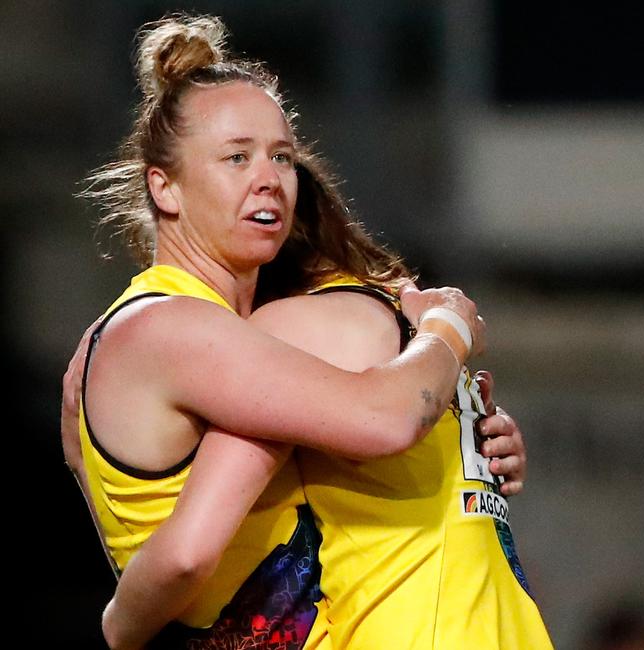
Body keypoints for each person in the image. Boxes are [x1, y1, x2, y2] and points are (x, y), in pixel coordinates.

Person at [60, 12, 545, 650]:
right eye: (236, 158)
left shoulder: (173, 334)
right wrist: (449, 326)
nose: (269, 177)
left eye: (282, 157)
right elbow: (183, 556)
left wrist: (470, 442)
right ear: (164, 188)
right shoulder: (171, 328)